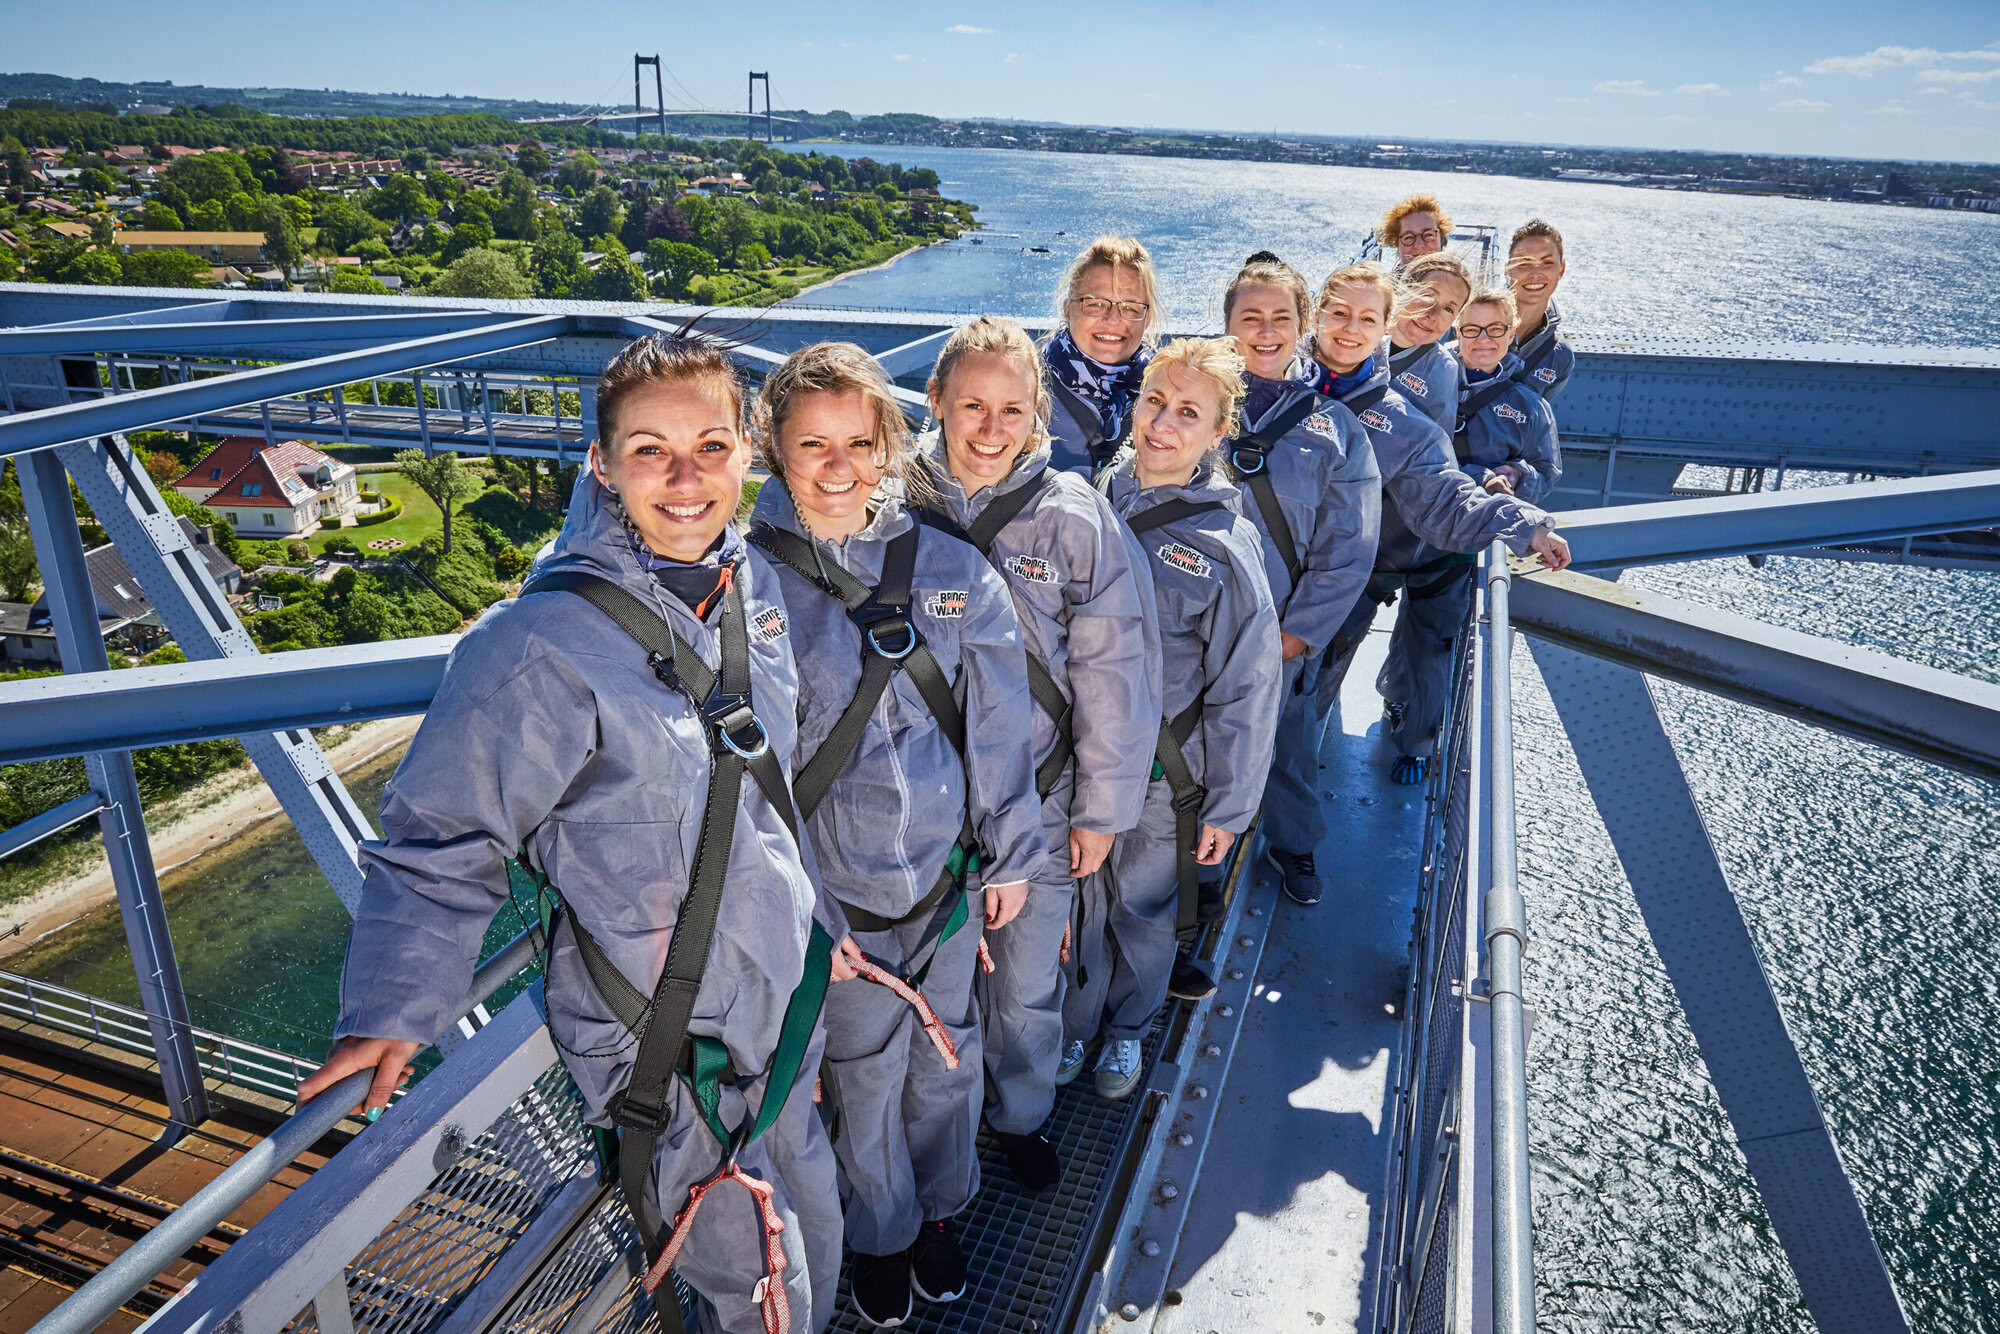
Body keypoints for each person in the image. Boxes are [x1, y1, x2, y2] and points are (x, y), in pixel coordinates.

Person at [301, 332, 842, 1334]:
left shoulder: (744, 588)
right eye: (648, 452)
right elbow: (444, 835)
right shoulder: (532, 646)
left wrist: (822, 923)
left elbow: (764, 792)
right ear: (600, 463)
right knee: (759, 1277)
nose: (686, 480)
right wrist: (391, 1006)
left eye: (712, 447)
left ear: (747, 456)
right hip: (666, 1035)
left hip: (777, 988)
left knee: (800, 1195)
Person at [746, 343, 1046, 1327]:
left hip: (947, 884)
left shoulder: (951, 571)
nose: (838, 465)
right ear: (774, 450)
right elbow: (754, 786)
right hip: (842, 907)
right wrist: (808, 916)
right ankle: (881, 1234)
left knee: (945, 1061)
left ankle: (939, 1216)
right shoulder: (748, 591)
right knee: (865, 1080)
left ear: (888, 443)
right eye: (811, 445)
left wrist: (1009, 854)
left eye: (857, 441)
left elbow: (999, 729)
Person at [918, 315, 1163, 1193]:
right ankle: (938, 1151)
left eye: (1013, 410)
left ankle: (1018, 1117)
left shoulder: (1072, 517)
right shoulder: (894, 505)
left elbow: (1114, 672)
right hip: (918, 802)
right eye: (972, 405)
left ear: (1040, 419)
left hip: (1040, 795)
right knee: (931, 992)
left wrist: (1101, 812)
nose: (991, 429)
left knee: (1025, 985)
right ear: (937, 401)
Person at [1296, 265, 1571, 892]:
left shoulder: (1416, 410)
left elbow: (1443, 484)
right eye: (1428, 303)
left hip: (1426, 550)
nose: (1438, 318)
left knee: (1429, 649)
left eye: (1453, 311)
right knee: (1318, 666)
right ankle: (1297, 757)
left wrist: (1523, 515)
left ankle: (1412, 742)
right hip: (1342, 559)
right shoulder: (1280, 383)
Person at [1072, 336, 1281, 1098]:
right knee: (1081, 901)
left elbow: (1248, 686)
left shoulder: (1225, 547)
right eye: (1154, 401)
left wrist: (1229, 804)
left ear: (1218, 432)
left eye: (1188, 412)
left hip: (1167, 776)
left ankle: (1125, 1031)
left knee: (1142, 909)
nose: (1162, 424)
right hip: (1083, 760)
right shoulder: (1097, 494)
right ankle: (1075, 1023)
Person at [1219, 253, 1381, 910]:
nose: (1265, 331)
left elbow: (1350, 546)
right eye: (1249, 317)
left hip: (1279, 631)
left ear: (1303, 325)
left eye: (1280, 318)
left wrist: (1299, 634)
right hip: (1188, 621)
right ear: (1227, 324)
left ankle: (1293, 841)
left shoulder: (1335, 429)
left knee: (1285, 740)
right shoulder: (1193, 403)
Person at [1043, 235, 1162, 477]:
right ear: (1068, 310)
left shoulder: (1171, 396)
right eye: (1096, 304)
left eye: (1130, 307)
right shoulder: (1026, 391)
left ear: (1147, 319)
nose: (1113, 319)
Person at [1445, 289, 1562, 505]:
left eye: (1495, 329)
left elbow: (1546, 471)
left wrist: (1517, 474)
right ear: (1458, 333)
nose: (1483, 339)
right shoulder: (1429, 381)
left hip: (1479, 519)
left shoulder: (1529, 406)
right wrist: (1483, 478)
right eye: (1472, 329)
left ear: (1510, 334)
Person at [1384, 252, 1472, 433]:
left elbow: (1438, 443)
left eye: (1448, 309)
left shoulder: (1443, 369)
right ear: (1404, 289)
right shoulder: (1363, 333)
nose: (1432, 314)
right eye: (1427, 296)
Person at [1504, 218, 1573, 401]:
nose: (1535, 273)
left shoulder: (1559, 355)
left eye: (1547, 263)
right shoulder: (1468, 323)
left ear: (1561, 268)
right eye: (1524, 263)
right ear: (1507, 269)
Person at [1377, 191, 1453, 268]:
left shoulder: (1460, 278)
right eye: (1409, 237)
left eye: (1428, 235)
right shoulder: (1384, 280)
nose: (1419, 244)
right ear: (1397, 244)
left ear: (1442, 239)